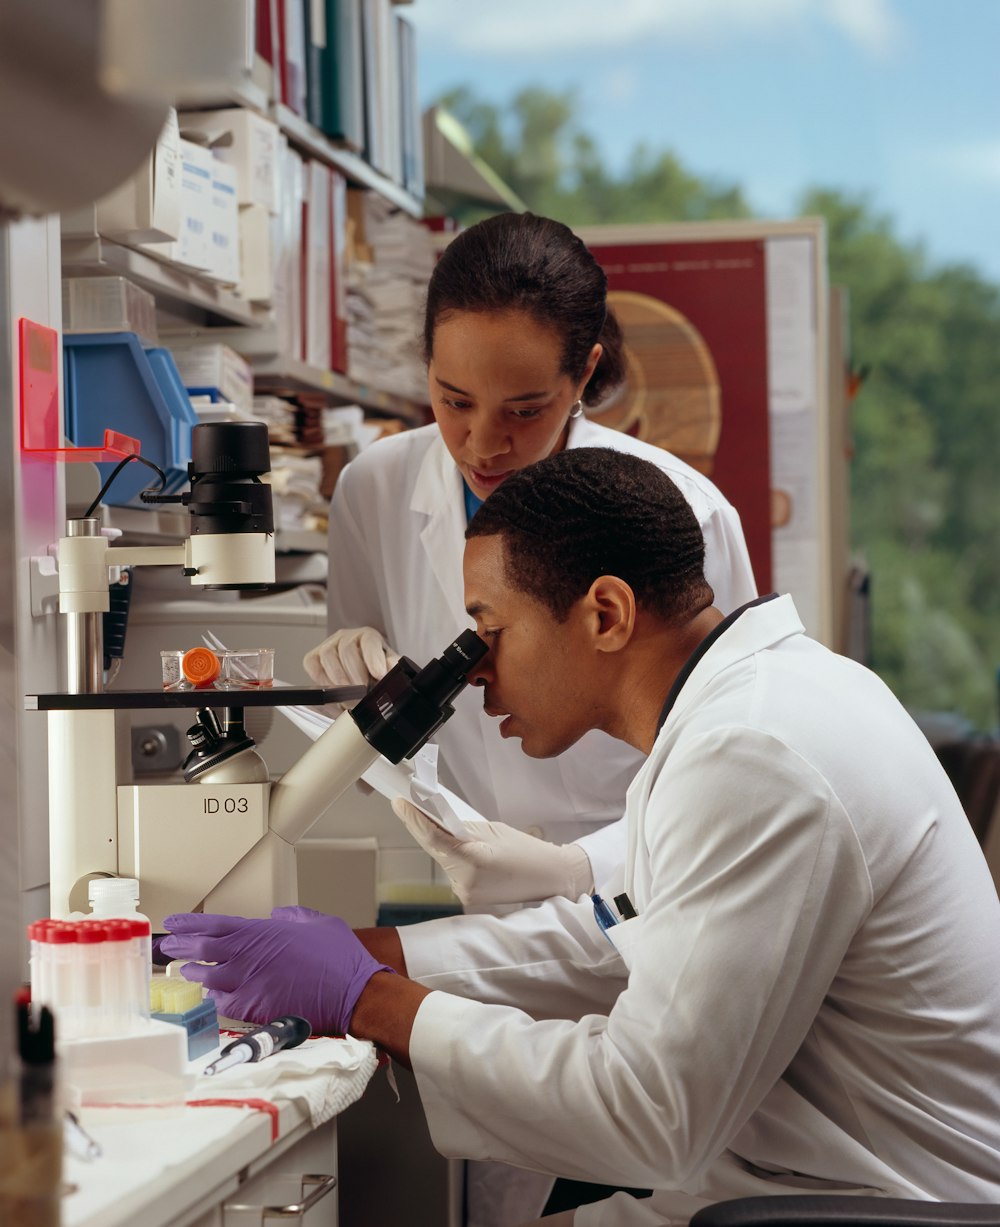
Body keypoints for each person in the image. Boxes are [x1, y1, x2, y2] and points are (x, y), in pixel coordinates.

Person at [163, 448, 1000, 1227]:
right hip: (819, 1177)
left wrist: (368, 998)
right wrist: (374, 954)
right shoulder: (758, 705)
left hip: (881, 1201)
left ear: (605, 612)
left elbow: (649, 1109)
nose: (478, 669)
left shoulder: (754, 755)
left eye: (491, 630)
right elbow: (616, 936)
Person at [304, 210, 757, 911]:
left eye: (524, 410)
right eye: (454, 400)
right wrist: (360, 701)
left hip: (645, 889)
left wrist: (573, 868)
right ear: (424, 362)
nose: (482, 443)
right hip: (473, 895)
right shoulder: (376, 488)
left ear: (585, 374)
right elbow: (365, 768)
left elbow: (733, 777)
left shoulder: (682, 512)